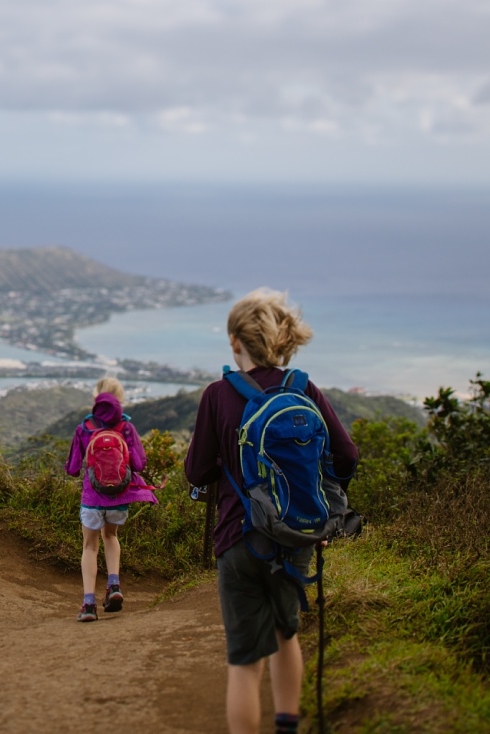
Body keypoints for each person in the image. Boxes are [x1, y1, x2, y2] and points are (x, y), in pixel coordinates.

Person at [183, 288, 358, 734]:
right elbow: (347, 457)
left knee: (244, 660)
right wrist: (321, 504)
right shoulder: (303, 389)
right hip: (294, 535)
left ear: (236, 342)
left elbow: (196, 471)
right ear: (280, 339)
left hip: (236, 538)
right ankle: (286, 727)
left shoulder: (217, 396)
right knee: (287, 635)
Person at [65, 376, 159, 622]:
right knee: (111, 536)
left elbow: (72, 468)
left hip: (92, 498)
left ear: (96, 397)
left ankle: (88, 604)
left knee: (89, 546)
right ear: (121, 398)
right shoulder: (126, 426)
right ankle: (114, 587)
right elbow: (139, 462)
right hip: (118, 496)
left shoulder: (84, 428)